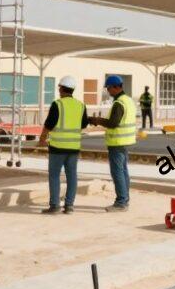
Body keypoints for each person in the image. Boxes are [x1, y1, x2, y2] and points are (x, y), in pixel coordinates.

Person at [37, 76, 84, 214]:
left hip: (57, 148)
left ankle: (55, 206)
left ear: (61, 88)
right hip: (74, 147)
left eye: (59, 87)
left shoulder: (57, 104)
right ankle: (69, 206)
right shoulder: (81, 105)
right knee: (72, 176)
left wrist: (42, 139)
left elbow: (48, 125)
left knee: (54, 176)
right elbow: (83, 123)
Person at [89, 75, 135, 212]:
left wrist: (97, 120)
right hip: (125, 142)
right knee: (124, 172)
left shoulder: (119, 103)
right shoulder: (128, 100)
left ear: (116, 87)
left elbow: (113, 123)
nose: (108, 91)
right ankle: (125, 199)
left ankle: (121, 202)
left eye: (109, 88)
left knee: (117, 173)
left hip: (117, 142)